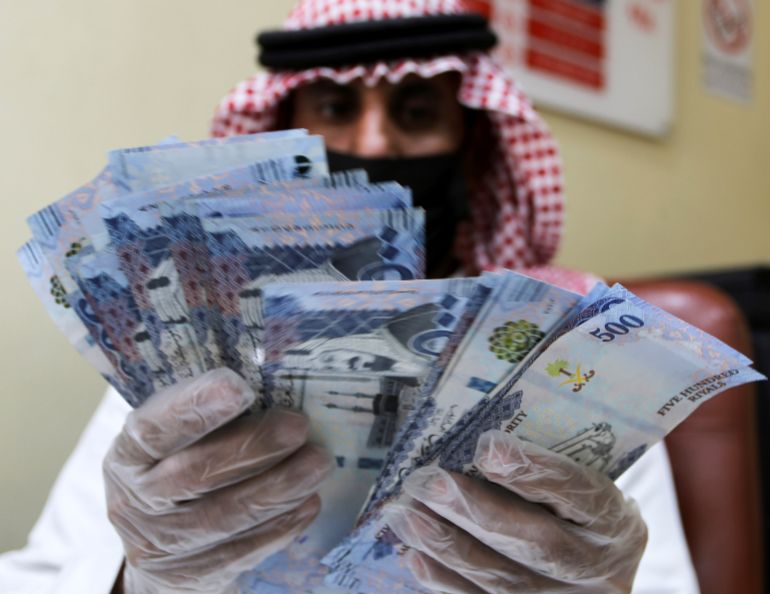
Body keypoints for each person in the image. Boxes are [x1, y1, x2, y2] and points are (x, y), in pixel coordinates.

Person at [0, 0, 701, 593]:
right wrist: (143, 571)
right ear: (283, 132)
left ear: (472, 142)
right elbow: (51, 572)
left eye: (417, 110)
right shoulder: (184, 353)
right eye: (336, 108)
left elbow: (652, 572)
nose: (374, 142)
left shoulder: (570, 347)